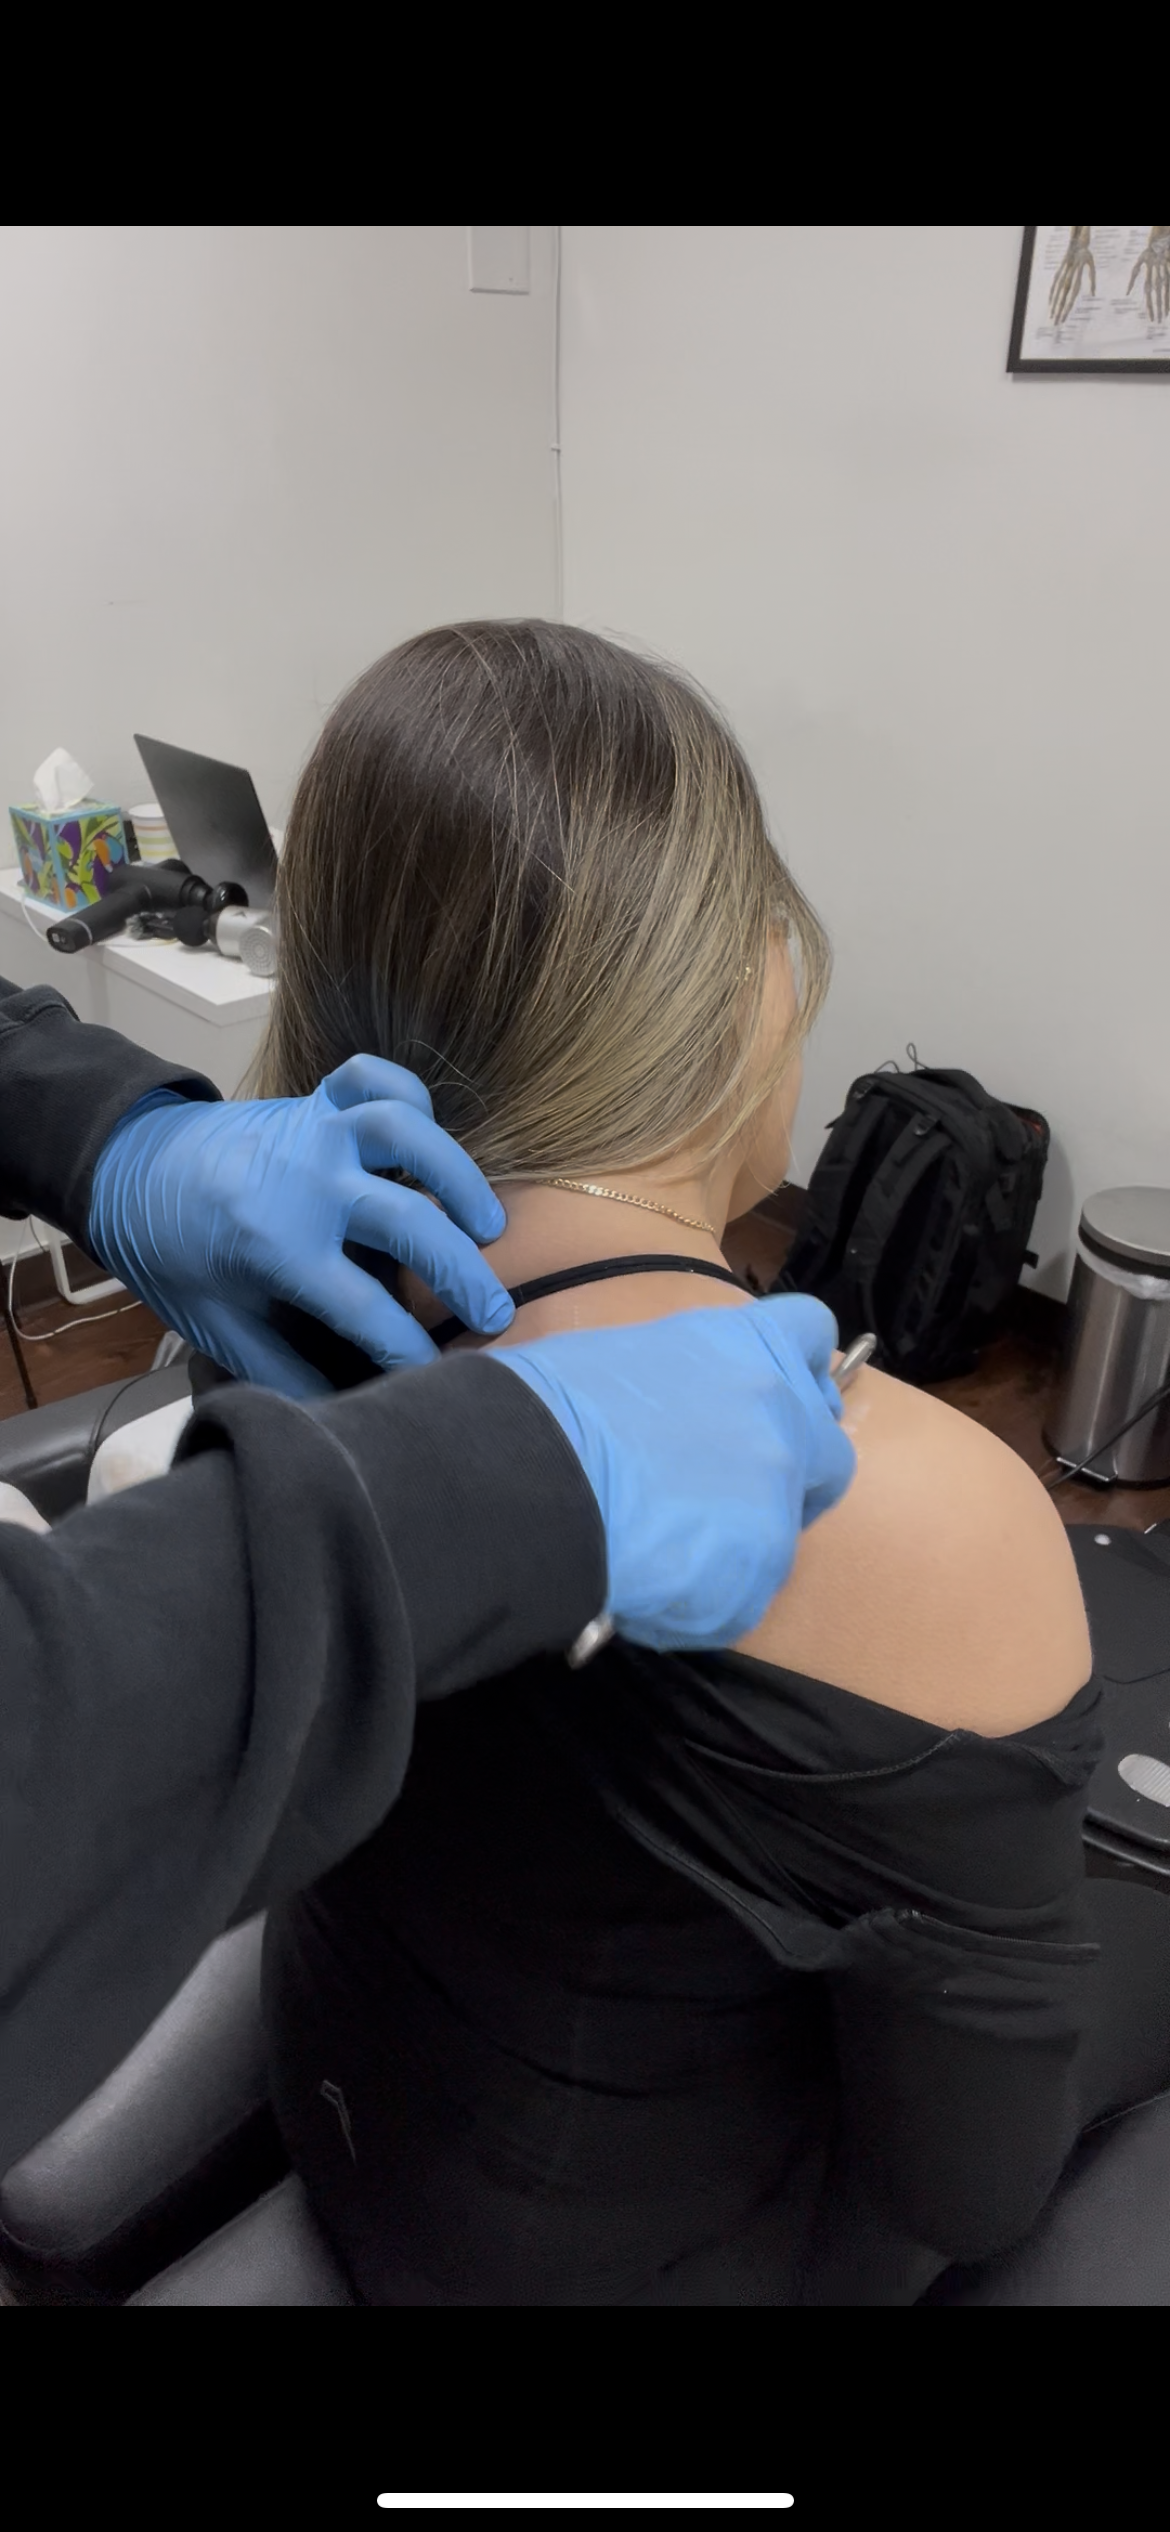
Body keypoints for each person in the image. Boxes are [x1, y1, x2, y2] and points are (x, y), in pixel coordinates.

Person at [245, 617, 1166, 2307]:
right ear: (748, 979)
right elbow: (968, 2184)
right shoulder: (914, 1504)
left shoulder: (257, 1320)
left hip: (357, 2101)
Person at [0, 970, 854, 2174]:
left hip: (353, 2064)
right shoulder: (940, 1519)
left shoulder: (313, 1285)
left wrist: (91, 1126)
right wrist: (512, 1486)